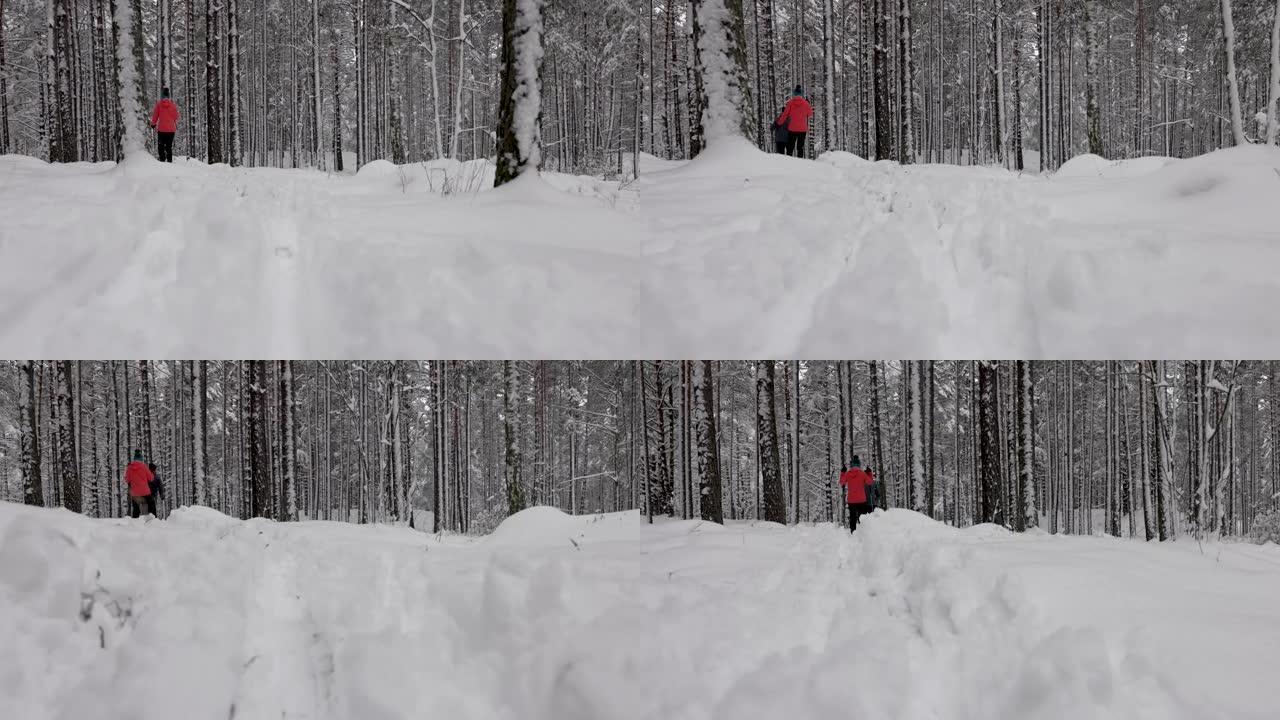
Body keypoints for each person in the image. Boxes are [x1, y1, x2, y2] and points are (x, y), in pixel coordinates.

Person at [839, 455, 876, 532]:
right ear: (859, 464)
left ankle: (853, 532)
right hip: (861, 500)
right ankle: (863, 533)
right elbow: (870, 482)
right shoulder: (862, 474)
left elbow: (841, 482)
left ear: (851, 464)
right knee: (862, 517)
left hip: (851, 500)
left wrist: (843, 472)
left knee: (852, 517)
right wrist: (869, 473)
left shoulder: (848, 474)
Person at [775, 86, 813, 158]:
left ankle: (790, 162)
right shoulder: (806, 103)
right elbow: (810, 114)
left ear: (794, 94)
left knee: (790, 147)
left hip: (792, 128)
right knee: (800, 147)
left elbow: (784, 115)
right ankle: (800, 162)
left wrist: (779, 123)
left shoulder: (790, 103)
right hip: (802, 129)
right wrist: (808, 104)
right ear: (801, 94)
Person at [149, 87, 180, 163]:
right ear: (169, 96)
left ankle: (162, 162)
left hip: (162, 130)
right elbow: (176, 116)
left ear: (162, 95)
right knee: (169, 147)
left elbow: (155, 115)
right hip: (171, 130)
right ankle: (169, 162)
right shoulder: (172, 105)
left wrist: (153, 124)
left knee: (161, 147)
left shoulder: (159, 105)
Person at [124, 450, 156, 518]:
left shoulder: (129, 468)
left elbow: (127, 479)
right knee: (151, 504)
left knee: (136, 508)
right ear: (141, 459)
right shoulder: (144, 466)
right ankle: (154, 519)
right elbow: (151, 478)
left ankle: (135, 523)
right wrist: (152, 473)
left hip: (135, 492)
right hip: (145, 491)